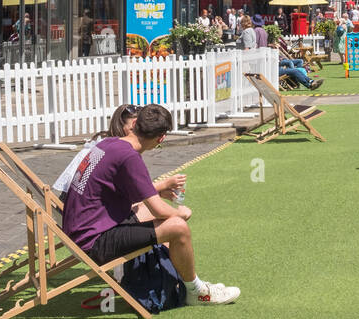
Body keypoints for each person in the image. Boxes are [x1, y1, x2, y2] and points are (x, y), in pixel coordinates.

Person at [61, 104, 239, 305]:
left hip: (78, 229)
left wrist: (157, 194)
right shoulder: (129, 157)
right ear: (161, 137)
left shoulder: (108, 143)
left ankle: (179, 281)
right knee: (178, 226)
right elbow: (159, 209)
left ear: (136, 123)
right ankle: (197, 291)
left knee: (151, 212)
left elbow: (120, 192)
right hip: (93, 242)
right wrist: (180, 213)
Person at [54, 105, 185, 214]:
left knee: (154, 213)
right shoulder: (114, 150)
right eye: (136, 127)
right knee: (171, 222)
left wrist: (157, 194)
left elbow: (125, 192)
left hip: (84, 212)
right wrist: (163, 185)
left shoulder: (107, 145)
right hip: (78, 214)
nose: (140, 131)